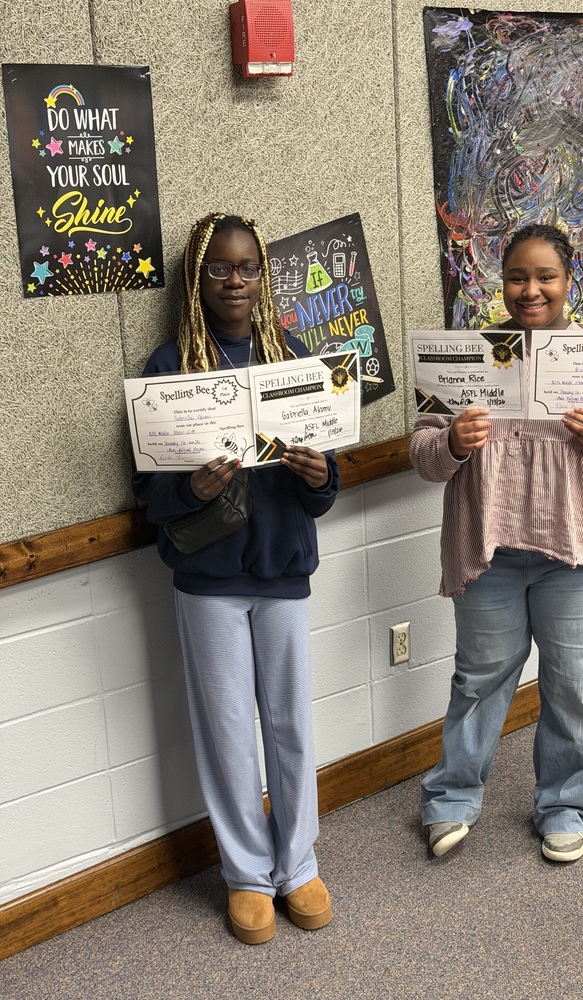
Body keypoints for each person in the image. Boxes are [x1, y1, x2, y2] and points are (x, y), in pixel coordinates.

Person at [410, 223, 583, 863]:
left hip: (577, 553)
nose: (531, 290)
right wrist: (451, 443)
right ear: (502, 283)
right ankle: (452, 799)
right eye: (518, 276)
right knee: (479, 681)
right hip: (490, 552)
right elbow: (423, 453)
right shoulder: (469, 358)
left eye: (546, 276)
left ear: (569, 281)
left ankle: (564, 804)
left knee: (575, 686)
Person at [132, 213, 339, 943]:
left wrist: (320, 474)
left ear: (263, 275)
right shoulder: (170, 370)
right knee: (225, 731)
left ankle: (300, 864)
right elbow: (151, 499)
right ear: (196, 277)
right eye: (218, 268)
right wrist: (191, 489)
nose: (235, 280)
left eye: (247, 266)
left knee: (290, 725)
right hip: (208, 578)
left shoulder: (295, 356)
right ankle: (247, 876)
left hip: (283, 569)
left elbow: (324, 486)